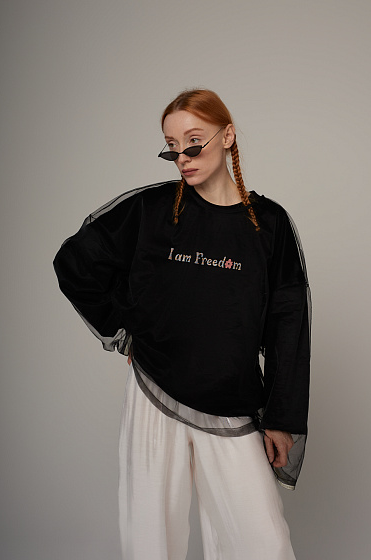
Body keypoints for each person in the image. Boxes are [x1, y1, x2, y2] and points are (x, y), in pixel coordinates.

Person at [53, 89, 311, 560]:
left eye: (193, 142)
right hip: (155, 392)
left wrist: (281, 417)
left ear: (227, 136)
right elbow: (75, 262)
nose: (182, 157)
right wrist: (124, 329)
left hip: (231, 400)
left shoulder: (269, 225)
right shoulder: (151, 211)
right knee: (151, 537)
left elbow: (288, 326)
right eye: (171, 146)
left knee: (263, 543)